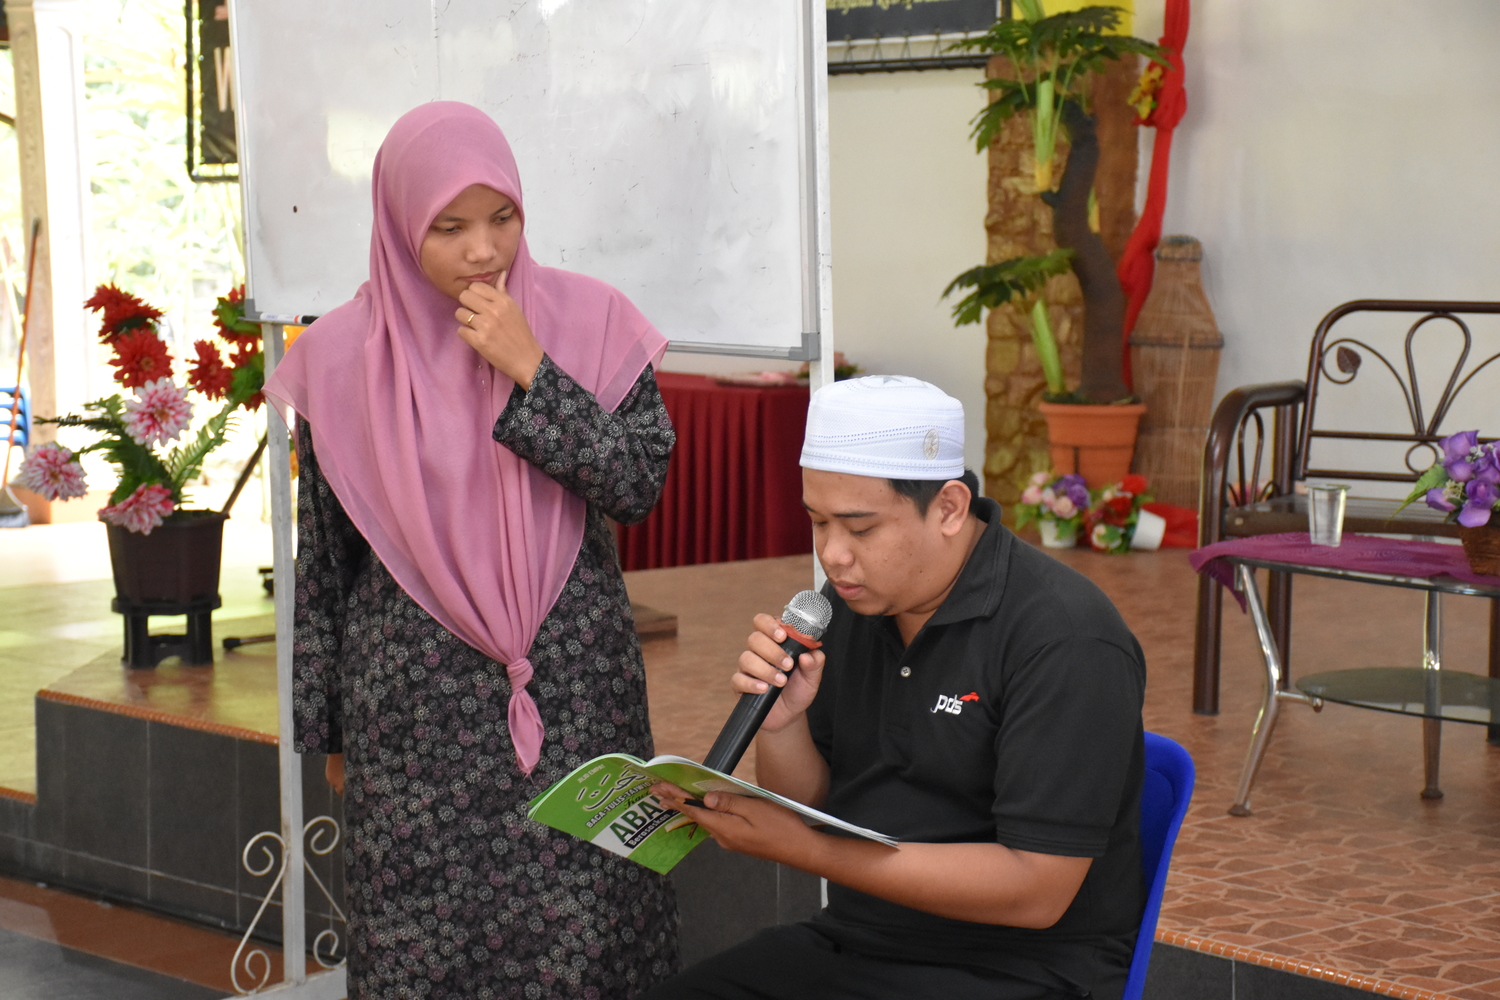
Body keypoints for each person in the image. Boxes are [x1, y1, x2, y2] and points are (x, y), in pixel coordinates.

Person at [263, 102, 680, 999]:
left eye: (502, 217)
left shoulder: (592, 321)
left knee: (590, 934)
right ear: (399, 221)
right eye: (449, 227)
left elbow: (637, 485)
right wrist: (328, 730)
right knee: (423, 951)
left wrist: (535, 369)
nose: (483, 250)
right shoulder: (339, 358)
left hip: (574, 693)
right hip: (413, 713)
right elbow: (327, 562)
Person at [645, 375, 1146, 1000]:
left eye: (860, 529)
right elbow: (809, 801)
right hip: (859, 940)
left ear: (949, 508)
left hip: (1018, 969)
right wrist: (783, 723)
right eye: (818, 522)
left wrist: (809, 852)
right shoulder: (849, 604)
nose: (833, 555)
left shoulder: (1066, 638)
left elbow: (1036, 890)